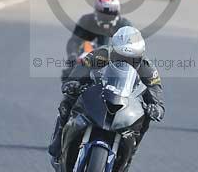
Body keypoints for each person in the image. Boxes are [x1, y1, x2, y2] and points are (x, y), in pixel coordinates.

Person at [48, 26, 165, 163]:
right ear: (113, 50)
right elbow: (81, 69)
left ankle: (131, 153)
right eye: (120, 57)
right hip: (100, 92)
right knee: (68, 99)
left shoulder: (147, 68)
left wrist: (156, 108)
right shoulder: (101, 54)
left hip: (128, 102)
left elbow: (157, 94)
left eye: (132, 60)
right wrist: (74, 82)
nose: (125, 62)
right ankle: (60, 137)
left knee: (146, 116)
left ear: (140, 56)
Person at [61, 0, 133, 80]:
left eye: (111, 14)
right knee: (68, 75)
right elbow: (75, 41)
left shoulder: (124, 25)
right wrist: (73, 55)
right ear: (96, 12)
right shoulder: (86, 20)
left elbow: (132, 46)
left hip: (115, 61)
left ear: (117, 13)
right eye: (103, 14)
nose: (106, 17)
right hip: (89, 58)